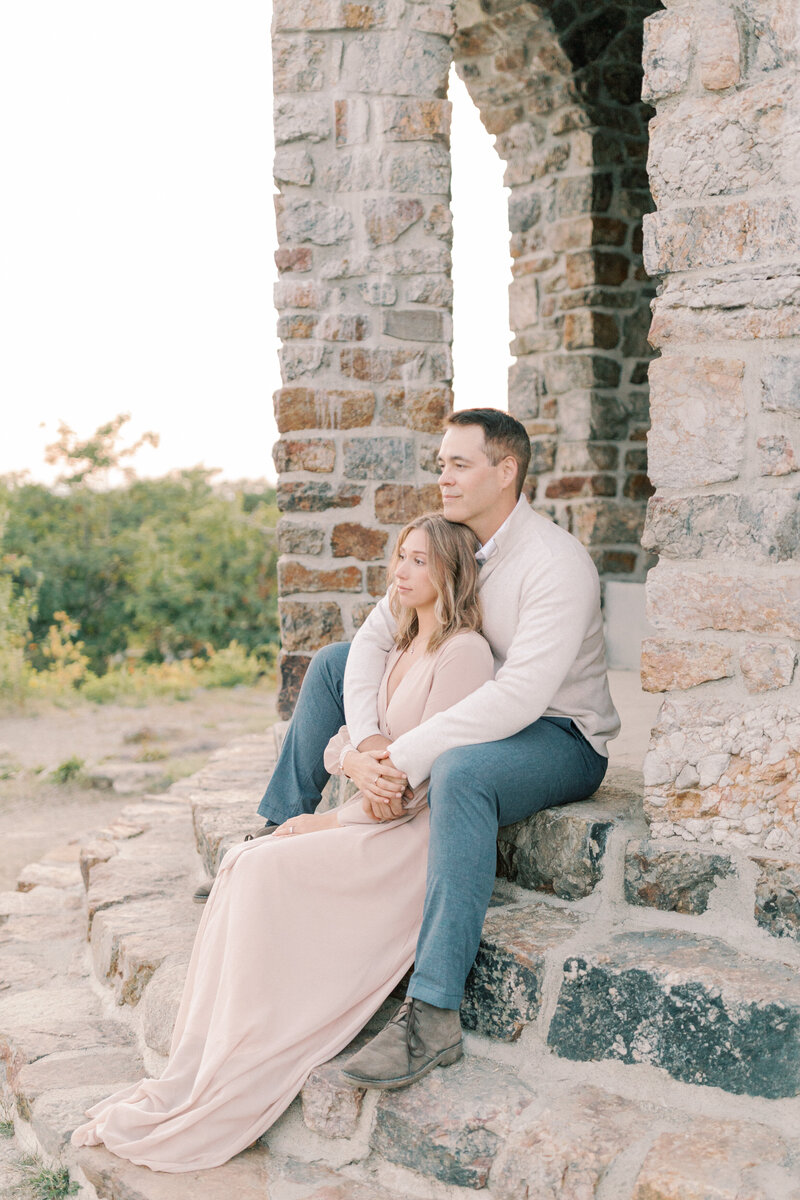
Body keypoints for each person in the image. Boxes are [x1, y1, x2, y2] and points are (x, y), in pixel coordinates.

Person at [70, 514, 495, 1172]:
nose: (400, 571)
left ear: (451, 572)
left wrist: (320, 820)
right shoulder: (394, 644)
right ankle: (210, 1054)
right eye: (399, 558)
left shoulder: (463, 653)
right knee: (243, 859)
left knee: (262, 867)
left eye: (418, 561)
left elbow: (415, 787)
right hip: (371, 816)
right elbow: (344, 747)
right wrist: (351, 765)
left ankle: (253, 1045)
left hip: (409, 841)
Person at [234, 407, 620, 1092]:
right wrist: (370, 742)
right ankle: (276, 831)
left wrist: (402, 758)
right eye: (441, 463)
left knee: (463, 769)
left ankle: (433, 1013)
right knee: (330, 661)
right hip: (466, 708)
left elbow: (519, 698)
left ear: (506, 472)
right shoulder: (450, 544)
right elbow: (370, 643)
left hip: (559, 733)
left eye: (458, 464)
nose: (442, 476)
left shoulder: (555, 565)